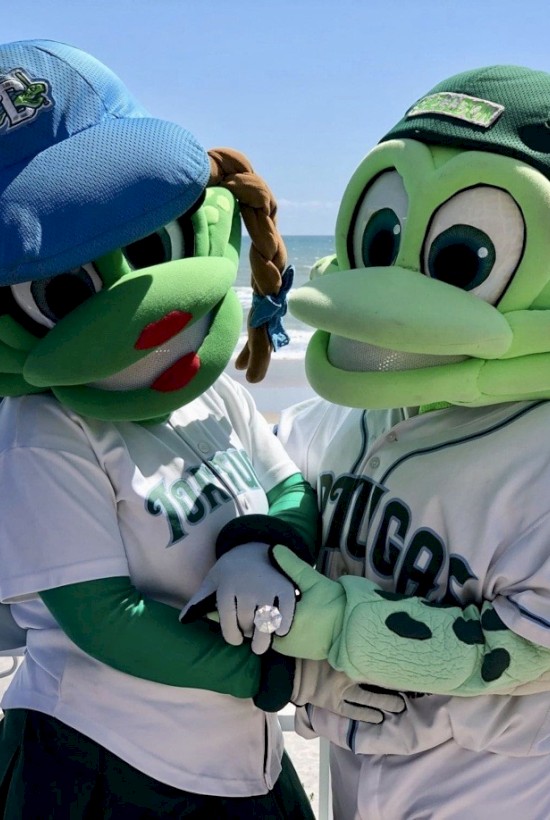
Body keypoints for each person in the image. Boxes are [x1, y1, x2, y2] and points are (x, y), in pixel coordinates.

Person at [185, 65, 550, 819]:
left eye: (459, 261)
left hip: (492, 789)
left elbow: (530, 649)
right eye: (383, 241)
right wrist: (261, 540)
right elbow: (287, 486)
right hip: (351, 776)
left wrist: (348, 626)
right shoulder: (339, 414)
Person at [0, 38, 342, 819]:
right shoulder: (43, 430)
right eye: (65, 286)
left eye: (149, 243)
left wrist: (265, 542)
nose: (148, 318)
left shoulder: (206, 389)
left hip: (238, 757)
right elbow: (103, 621)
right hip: (111, 762)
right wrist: (276, 672)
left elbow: (285, 476)